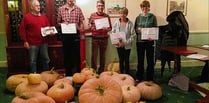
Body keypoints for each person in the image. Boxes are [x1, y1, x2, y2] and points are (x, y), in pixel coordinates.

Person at [19, 0, 51, 73]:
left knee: (46, 59)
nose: (39, 7)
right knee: (33, 61)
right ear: (32, 7)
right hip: (32, 43)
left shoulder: (44, 17)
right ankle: (34, 76)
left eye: (39, 5)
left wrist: (51, 32)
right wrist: (25, 41)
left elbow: (48, 27)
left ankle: (47, 75)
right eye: (36, 6)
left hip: (44, 42)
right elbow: (22, 30)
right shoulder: (26, 17)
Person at [57, 0, 85, 76]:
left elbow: (82, 21)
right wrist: (63, 23)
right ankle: (68, 74)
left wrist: (80, 28)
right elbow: (58, 23)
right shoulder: (61, 9)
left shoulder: (78, 9)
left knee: (76, 55)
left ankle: (78, 74)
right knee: (67, 55)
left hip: (75, 35)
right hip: (65, 35)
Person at [134, 0, 157, 81]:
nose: (145, 8)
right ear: (141, 8)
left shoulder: (153, 17)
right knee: (140, 60)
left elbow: (155, 29)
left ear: (149, 7)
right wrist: (138, 30)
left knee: (150, 60)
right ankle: (139, 76)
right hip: (140, 42)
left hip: (149, 42)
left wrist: (153, 36)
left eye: (146, 6)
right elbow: (135, 29)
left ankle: (150, 77)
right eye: (143, 6)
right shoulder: (138, 18)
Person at [89, 0, 112, 74]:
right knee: (94, 56)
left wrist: (107, 29)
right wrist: (90, 27)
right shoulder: (92, 15)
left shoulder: (107, 16)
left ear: (104, 7)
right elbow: (90, 26)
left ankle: (101, 71)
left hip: (104, 39)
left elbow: (110, 28)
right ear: (96, 6)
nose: (100, 7)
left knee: (103, 56)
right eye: (99, 5)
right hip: (95, 39)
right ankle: (93, 71)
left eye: (101, 5)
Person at [112, 7, 135, 74]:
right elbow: (113, 32)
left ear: (126, 14)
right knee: (121, 60)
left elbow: (133, 35)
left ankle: (127, 74)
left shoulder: (130, 23)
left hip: (127, 45)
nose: (122, 15)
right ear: (119, 14)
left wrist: (125, 43)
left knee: (126, 60)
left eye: (124, 13)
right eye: (121, 13)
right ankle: (121, 74)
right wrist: (116, 41)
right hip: (119, 45)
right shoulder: (116, 22)